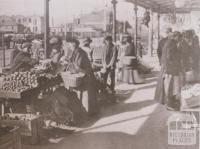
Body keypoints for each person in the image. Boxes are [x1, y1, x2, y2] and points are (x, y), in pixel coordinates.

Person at [65, 38, 99, 116]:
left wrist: (70, 65)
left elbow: (78, 66)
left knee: (87, 95)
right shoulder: (75, 52)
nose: (69, 47)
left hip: (87, 76)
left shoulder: (80, 53)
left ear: (74, 45)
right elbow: (73, 62)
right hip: (83, 75)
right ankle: (84, 111)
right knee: (83, 94)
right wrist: (68, 61)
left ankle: (89, 112)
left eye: (70, 45)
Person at [155, 32, 182, 111]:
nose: (179, 40)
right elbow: (169, 56)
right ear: (176, 36)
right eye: (179, 38)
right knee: (172, 87)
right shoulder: (172, 43)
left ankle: (170, 103)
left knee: (169, 87)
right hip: (171, 69)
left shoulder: (169, 42)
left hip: (167, 68)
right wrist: (177, 63)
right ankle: (170, 105)